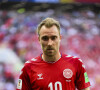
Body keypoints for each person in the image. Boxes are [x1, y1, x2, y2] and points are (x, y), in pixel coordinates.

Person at [16, 17, 90, 90]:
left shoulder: (76, 63)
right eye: (45, 38)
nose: (50, 43)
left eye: (53, 38)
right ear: (39, 40)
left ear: (60, 38)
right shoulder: (28, 67)